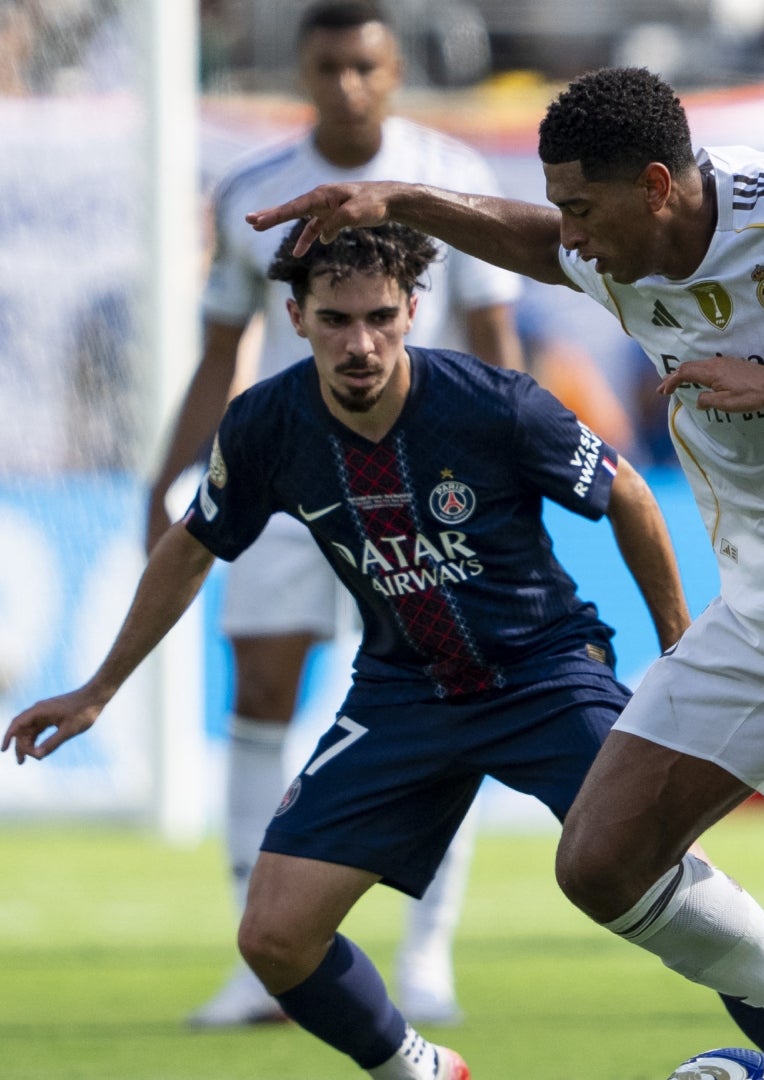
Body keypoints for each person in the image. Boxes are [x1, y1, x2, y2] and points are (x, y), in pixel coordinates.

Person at [248, 65, 764, 1080]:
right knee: (598, 865)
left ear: (654, 183)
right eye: (562, 210)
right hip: (761, 604)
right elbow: (527, 239)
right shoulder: (607, 253)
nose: (572, 236)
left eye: (583, 208)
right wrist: (401, 200)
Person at [3, 222, 688, 1080]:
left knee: (657, 879)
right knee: (274, 939)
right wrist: (100, 687)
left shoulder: (493, 401)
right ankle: (422, 1072)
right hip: (405, 692)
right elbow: (192, 543)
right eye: (334, 319)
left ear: (411, 311)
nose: (359, 343)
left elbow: (628, 492)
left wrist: (679, 648)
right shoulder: (267, 425)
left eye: (378, 318)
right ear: (294, 316)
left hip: (543, 671)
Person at [147, 0, 525, 1028]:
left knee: (451, 702)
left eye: (365, 66)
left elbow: (496, 340)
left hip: (425, 492)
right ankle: (259, 959)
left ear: (394, 69)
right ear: (304, 73)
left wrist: (508, 469)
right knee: (261, 691)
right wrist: (169, 475)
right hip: (289, 481)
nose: (348, 85)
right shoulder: (254, 194)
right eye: (330, 67)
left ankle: (427, 954)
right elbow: (221, 351)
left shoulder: (452, 181)